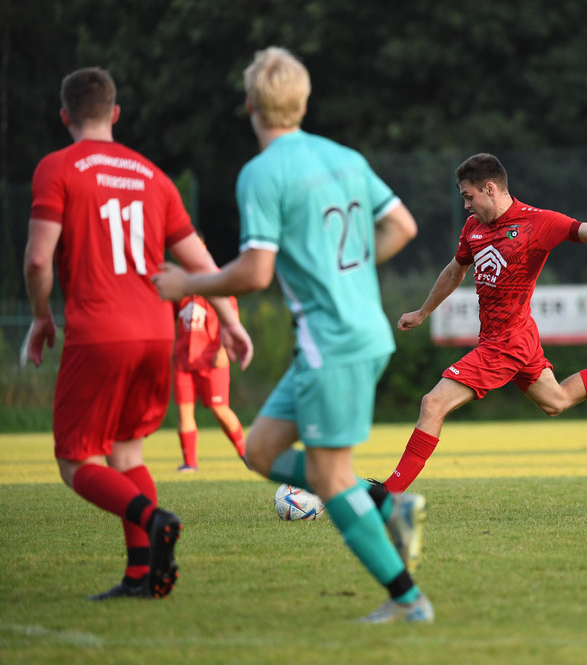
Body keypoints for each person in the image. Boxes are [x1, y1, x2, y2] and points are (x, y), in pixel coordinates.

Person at [152, 46, 430, 623]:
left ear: (250, 103)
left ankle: (407, 599)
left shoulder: (261, 172)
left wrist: (188, 283)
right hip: (349, 336)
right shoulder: (345, 156)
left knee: (329, 479)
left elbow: (254, 272)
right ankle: (383, 502)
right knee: (259, 451)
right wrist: (348, 267)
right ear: (302, 102)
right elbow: (402, 226)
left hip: (334, 343)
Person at [23, 67, 253, 601]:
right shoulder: (152, 175)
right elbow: (200, 263)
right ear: (116, 113)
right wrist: (233, 322)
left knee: (75, 460)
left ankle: (153, 519)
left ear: (65, 116)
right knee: (127, 454)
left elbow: (38, 258)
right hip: (156, 332)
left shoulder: (57, 168)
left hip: (99, 331)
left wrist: (41, 316)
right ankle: (141, 576)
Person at [370, 153, 587, 498]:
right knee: (556, 400)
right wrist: (422, 312)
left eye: (468, 196)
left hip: (506, 342)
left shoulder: (538, 222)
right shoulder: (474, 227)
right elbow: (454, 271)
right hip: (512, 336)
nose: (465, 205)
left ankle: (388, 493)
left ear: (490, 188)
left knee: (433, 404)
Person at [172, 286, 247, 472]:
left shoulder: (220, 283)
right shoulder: (182, 286)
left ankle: (246, 454)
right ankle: (190, 463)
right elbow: (167, 317)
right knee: (184, 411)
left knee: (219, 408)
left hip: (211, 359)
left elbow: (231, 322)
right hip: (183, 360)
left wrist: (223, 349)